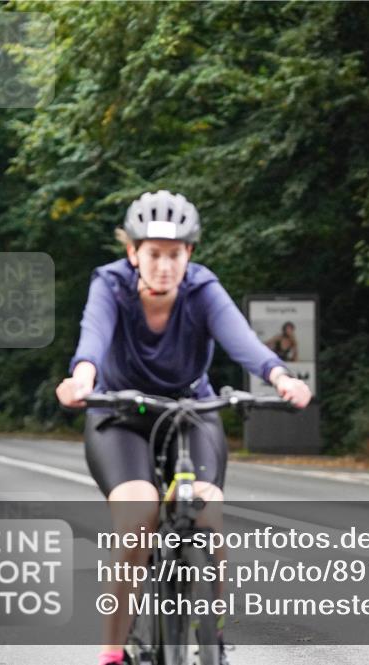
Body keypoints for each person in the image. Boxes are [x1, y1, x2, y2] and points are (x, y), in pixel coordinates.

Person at [55, 190, 311, 665]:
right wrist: (81, 380)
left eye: (175, 254)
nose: (165, 265)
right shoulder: (109, 285)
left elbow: (243, 341)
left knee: (207, 514)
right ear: (133, 252)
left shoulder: (202, 289)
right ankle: (113, 650)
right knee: (137, 520)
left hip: (192, 410)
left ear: (189, 253)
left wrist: (280, 377)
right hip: (120, 412)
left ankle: (213, 639)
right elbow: (92, 335)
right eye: (153, 253)